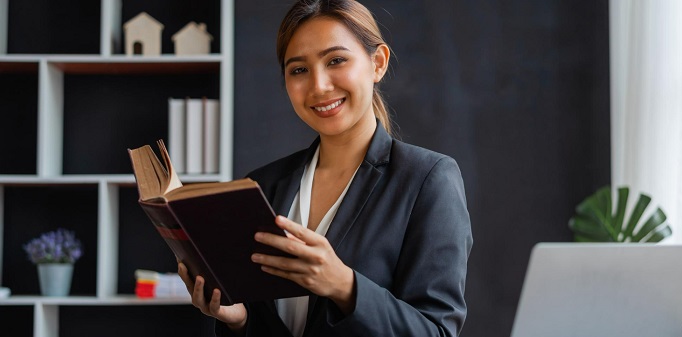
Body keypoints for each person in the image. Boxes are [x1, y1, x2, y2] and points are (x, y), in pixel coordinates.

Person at [178, 0, 473, 336]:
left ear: (378, 63)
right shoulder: (261, 186)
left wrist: (344, 285)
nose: (319, 86)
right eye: (299, 69)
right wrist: (239, 320)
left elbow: (437, 331)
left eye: (336, 60)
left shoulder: (427, 179)